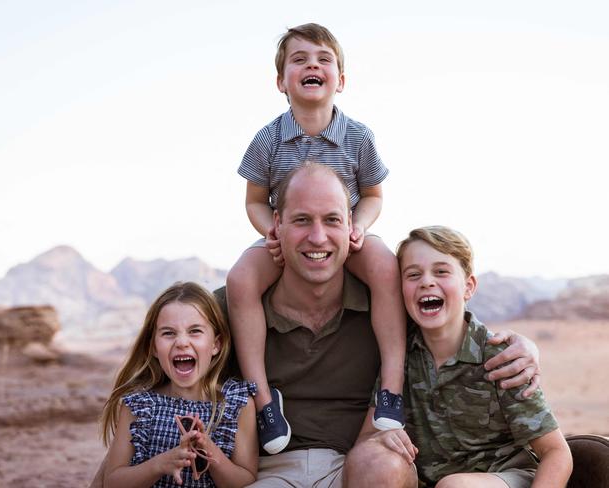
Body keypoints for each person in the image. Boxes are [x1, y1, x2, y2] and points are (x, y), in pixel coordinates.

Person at [217, 163, 543, 487]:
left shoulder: (386, 304)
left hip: (355, 467)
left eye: (332, 220)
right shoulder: (235, 305)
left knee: (382, 464)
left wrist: (523, 346)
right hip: (269, 472)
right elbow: (176, 340)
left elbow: (449, 328)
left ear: (351, 226)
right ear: (277, 224)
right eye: (302, 220)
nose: (318, 237)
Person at [226, 23, 407, 455]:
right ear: (280, 81)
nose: (313, 65)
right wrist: (269, 228)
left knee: (385, 266)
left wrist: (358, 225)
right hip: (288, 237)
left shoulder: (358, 136)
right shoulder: (268, 139)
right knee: (239, 281)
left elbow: (374, 194)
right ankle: (264, 401)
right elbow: (253, 200)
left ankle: (392, 388)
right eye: (300, 59)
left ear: (340, 80)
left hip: (345, 234)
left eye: (324, 59)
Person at [390, 226, 572, 488]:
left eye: (441, 271)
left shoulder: (501, 357)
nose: (426, 281)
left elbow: (556, 452)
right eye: (413, 274)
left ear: (468, 287)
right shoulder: (399, 353)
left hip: (504, 478)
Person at [99, 282, 258, 488]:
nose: (182, 342)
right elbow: (112, 482)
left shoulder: (237, 404)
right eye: (168, 333)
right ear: (154, 347)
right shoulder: (139, 406)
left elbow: (245, 480)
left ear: (216, 344)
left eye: (195, 331)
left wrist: (208, 450)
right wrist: (159, 464)